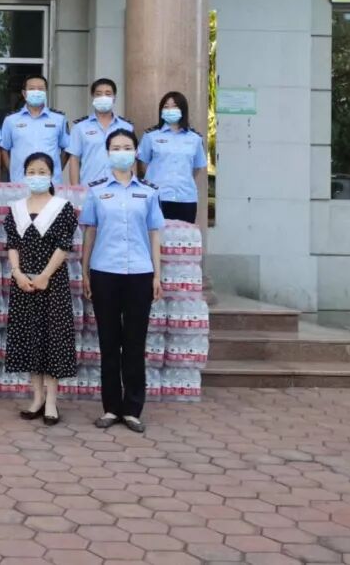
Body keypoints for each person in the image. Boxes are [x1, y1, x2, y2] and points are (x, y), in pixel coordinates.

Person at [80, 128, 164, 434]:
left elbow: (154, 234)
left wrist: (157, 274)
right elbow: (90, 232)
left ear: (136, 152)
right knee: (108, 342)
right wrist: (85, 271)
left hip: (140, 274)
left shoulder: (149, 192)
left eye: (126, 147)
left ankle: (132, 409)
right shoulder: (97, 191)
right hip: (105, 272)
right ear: (108, 153)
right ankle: (111, 407)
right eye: (115, 147)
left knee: (134, 343)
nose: (121, 152)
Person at [4, 153, 78, 426]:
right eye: (32, 171)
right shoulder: (16, 208)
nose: (37, 176)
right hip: (23, 283)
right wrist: (17, 273)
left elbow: (64, 245)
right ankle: (36, 398)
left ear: (51, 174)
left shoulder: (62, 207)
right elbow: (12, 244)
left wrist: (46, 275)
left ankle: (51, 402)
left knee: (52, 340)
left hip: (52, 283)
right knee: (30, 340)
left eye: (42, 171)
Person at [137, 91, 207, 223]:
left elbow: (197, 167)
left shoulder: (195, 138)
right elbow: (144, 163)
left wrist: (182, 178)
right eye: (166, 107)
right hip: (158, 196)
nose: (170, 110)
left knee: (183, 235)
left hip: (186, 198)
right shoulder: (151, 136)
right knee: (156, 234)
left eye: (174, 106)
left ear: (183, 109)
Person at [0, 74, 69, 186]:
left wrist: (56, 170)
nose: (36, 92)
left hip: (51, 183)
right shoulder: (11, 120)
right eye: (32, 89)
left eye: (40, 89)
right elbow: (4, 149)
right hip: (20, 182)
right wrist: (13, 172)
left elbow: (67, 148)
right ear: (24, 93)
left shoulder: (59, 119)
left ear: (45, 92)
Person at [68, 78, 134, 186]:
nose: (103, 97)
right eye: (98, 94)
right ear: (93, 97)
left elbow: (133, 159)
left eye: (108, 94)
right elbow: (74, 159)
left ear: (114, 97)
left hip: (119, 186)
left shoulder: (126, 126)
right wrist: (75, 189)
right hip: (89, 186)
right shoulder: (80, 127)